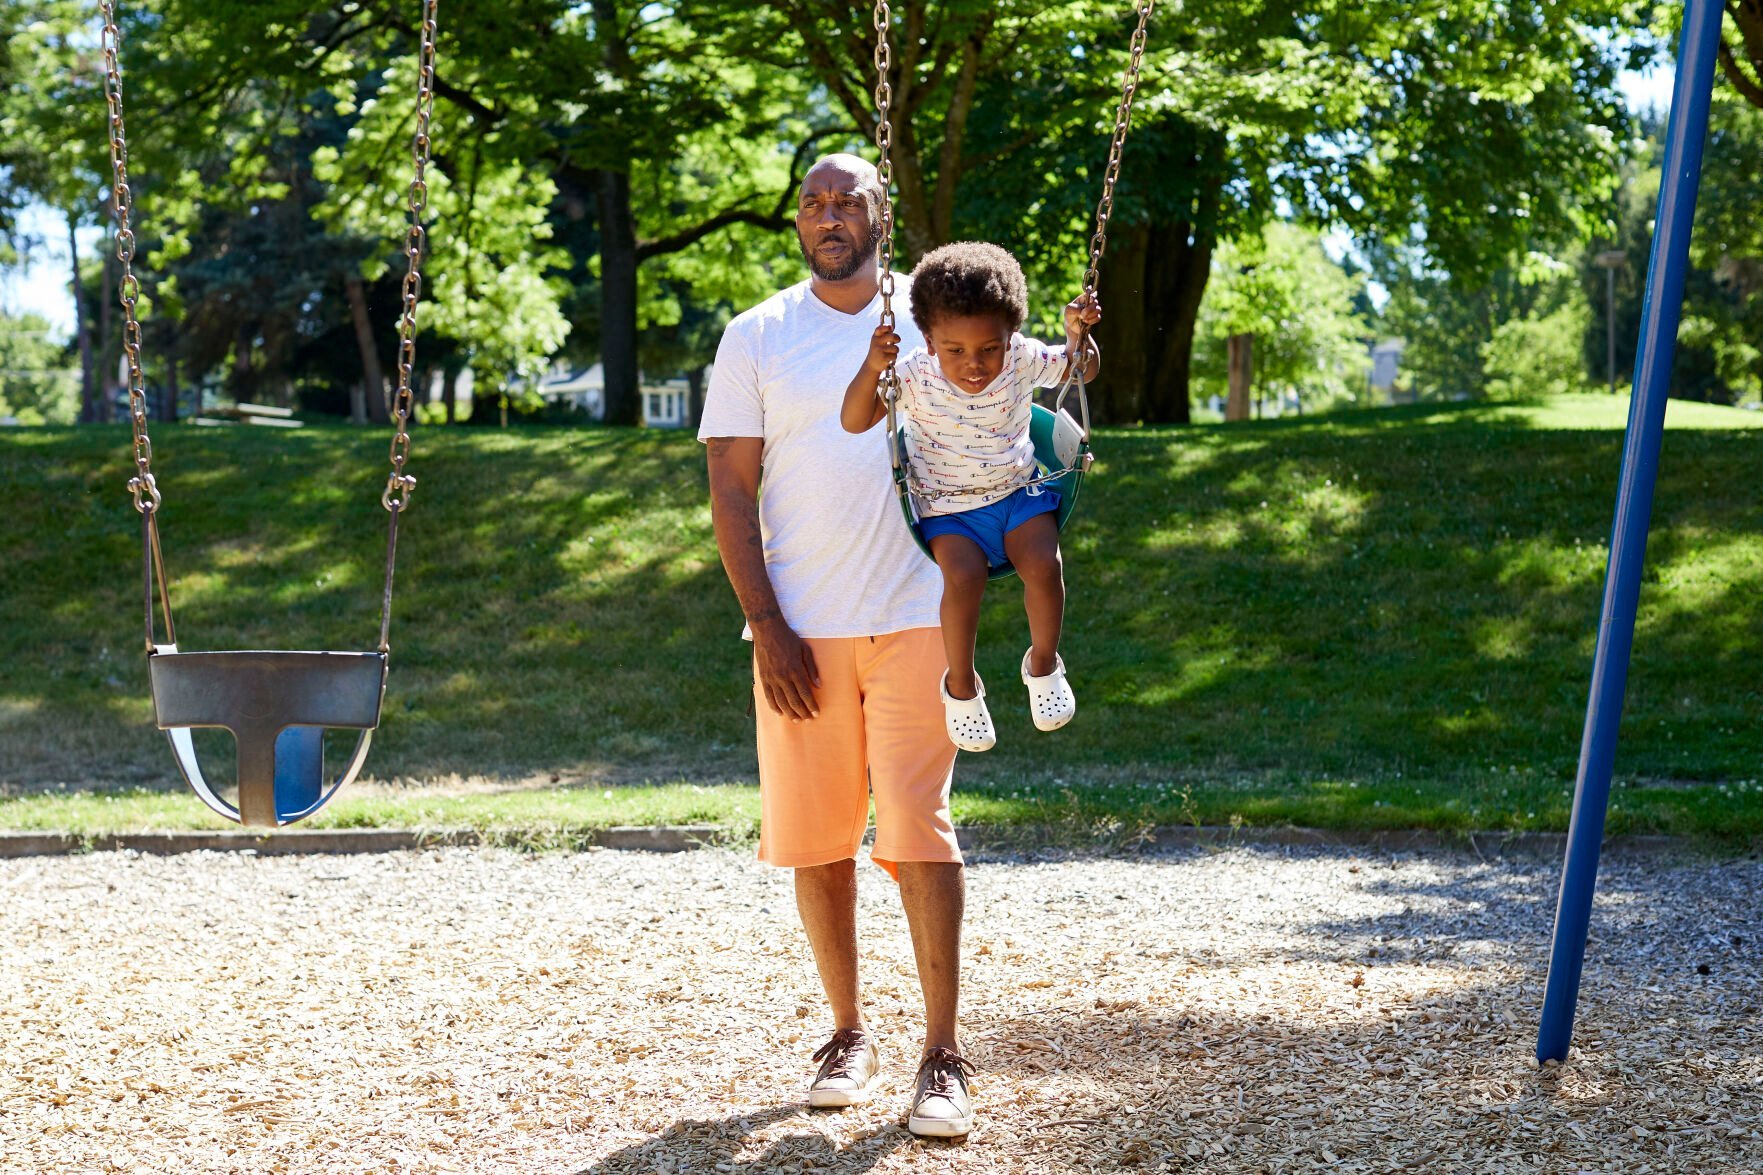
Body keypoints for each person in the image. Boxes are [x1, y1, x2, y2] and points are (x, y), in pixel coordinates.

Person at [698, 153, 977, 1138]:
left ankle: (940, 1053)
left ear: (879, 213)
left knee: (915, 824)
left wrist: (1075, 346)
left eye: (845, 201)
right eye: (812, 203)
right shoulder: (757, 335)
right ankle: (848, 1031)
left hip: (912, 609)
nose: (827, 216)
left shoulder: (929, 311)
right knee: (818, 837)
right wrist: (765, 621)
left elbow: (1016, 382)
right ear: (799, 221)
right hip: (801, 625)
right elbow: (731, 486)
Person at [840, 241, 1100, 753]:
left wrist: (1078, 336)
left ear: (1010, 335)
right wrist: (874, 367)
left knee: (1045, 566)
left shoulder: (1023, 359)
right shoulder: (913, 374)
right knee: (963, 577)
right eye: (955, 350)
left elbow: (1080, 371)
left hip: (1018, 491)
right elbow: (853, 421)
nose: (975, 364)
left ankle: (1043, 663)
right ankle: (961, 686)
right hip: (948, 508)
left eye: (989, 348)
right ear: (932, 342)